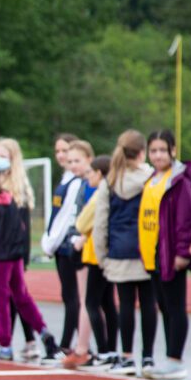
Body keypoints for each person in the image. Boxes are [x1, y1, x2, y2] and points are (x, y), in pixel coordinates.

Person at [0, 166, 60, 361]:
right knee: (22, 297)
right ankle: (43, 331)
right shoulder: (10, 201)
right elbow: (22, 226)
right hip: (15, 255)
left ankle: (4, 346)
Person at [93, 130, 157, 375]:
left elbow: (101, 222)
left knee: (127, 305)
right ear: (142, 152)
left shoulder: (109, 181)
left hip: (119, 251)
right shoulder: (151, 178)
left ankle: (127, 356)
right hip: (146, 250)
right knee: (149, 304)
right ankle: (148, 357)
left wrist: (102, 256)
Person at [142, 130, 191, 380]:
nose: (158, 155)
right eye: (153, 151)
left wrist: (183, 251)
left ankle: (175, 359)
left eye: (162, 150)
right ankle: (168, 358)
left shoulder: (179, 181)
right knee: (164, 306)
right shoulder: (152, 178)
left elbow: (185, 220)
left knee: (175, 307)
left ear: (173, 151)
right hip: (152, 253)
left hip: (171, 253)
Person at [41, 135, 92, 357]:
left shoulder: (78, 183)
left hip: (69, 245)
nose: (62, 156)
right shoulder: (65, 181)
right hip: (61, 246)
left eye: (66, 152)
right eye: (59, 152)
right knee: (69, 296)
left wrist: (49, 242)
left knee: (75, 298)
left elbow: (66, 219)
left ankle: (67, 345)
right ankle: (73, 344)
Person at [0, 138, 38, 359]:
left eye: (4, 156)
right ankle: (18, 340)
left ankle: (22, 340)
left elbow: (24, 226)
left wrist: (24, 254)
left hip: (12, 251)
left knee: (16, 296)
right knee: (9, 296)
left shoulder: (19, 186)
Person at [74, 155, 118, 369]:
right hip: (109, 253)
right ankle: (111, 349)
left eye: (90, 172)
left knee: (92, 302)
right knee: (108, 303)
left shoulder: (101, 193)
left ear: (99, 173)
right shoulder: (115, 191)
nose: (88, 176)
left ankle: (103, 351)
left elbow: (82, 223)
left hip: (96, 255)